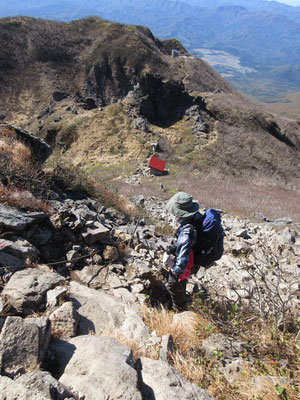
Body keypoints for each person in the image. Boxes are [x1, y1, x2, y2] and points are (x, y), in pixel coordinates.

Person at [165, 191, 202, 310]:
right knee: (179, 284)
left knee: (174, 286)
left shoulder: (186, 231)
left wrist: (176, 270)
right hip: (195, 259)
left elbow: (183, 256)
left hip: (186, 264)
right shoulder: (196, 217)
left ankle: (180, 308)